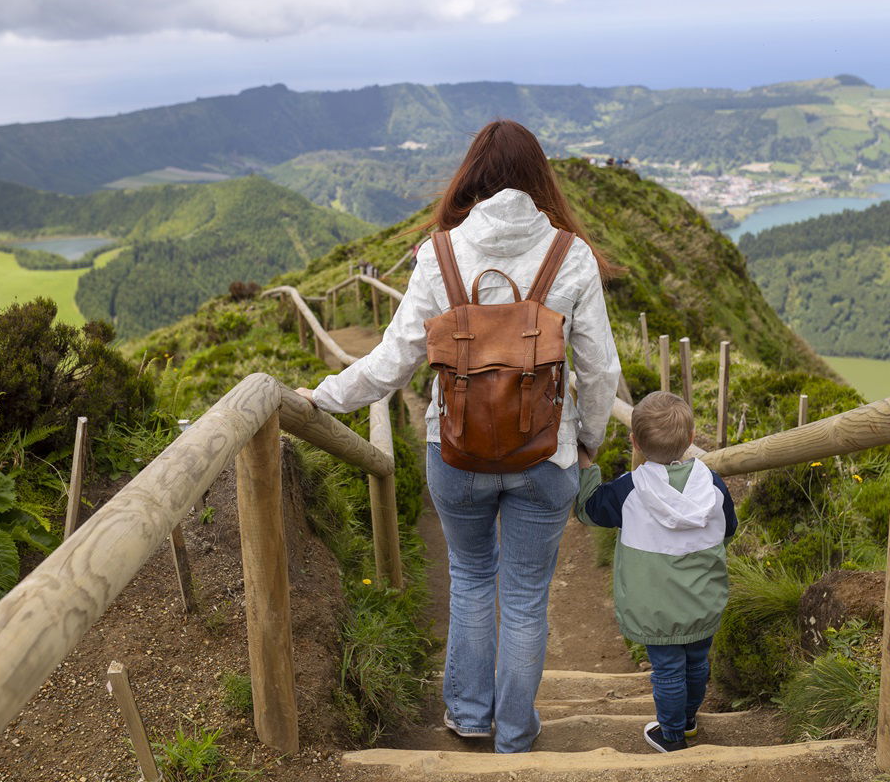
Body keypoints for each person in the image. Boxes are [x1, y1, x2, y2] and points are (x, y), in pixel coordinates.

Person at [295, 120, 621, 752]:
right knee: (526, 598)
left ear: (472, 174)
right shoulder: (570, 254)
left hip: (457, 450)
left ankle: (470, 717)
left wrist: (323, 398)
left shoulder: (440, 254)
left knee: (472, 578)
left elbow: (392, 363)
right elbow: (600, 368)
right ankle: (517, 735)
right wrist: (588, 442)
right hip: (545, 453)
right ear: (538, 178)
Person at [575, 391, 737, 753]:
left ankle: (672, 735)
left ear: (634, 441)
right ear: (692, 439)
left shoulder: (628, 490)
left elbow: (588, 509)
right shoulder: (713, 485)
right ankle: (690, 720)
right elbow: (729, 529)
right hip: (702, 598)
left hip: (654, 607)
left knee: (667, 669)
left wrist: (586, 465)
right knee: (696, 662)